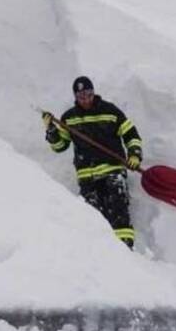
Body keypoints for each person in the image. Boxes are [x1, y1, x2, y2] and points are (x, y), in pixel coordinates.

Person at [43, 76, 142, 249]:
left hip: (113, 171)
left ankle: (126, 249)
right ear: (76, 96)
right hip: (87, 178)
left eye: (88, 94)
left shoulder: (110, 112)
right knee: (94, 218)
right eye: (81, 96)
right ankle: (101, 252)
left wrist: (134, 155)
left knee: (119, 211)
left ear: (93, 92)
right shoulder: (69, 118)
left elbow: (131, 134)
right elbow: (60, 146)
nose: (86, 99)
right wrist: (51, 129)